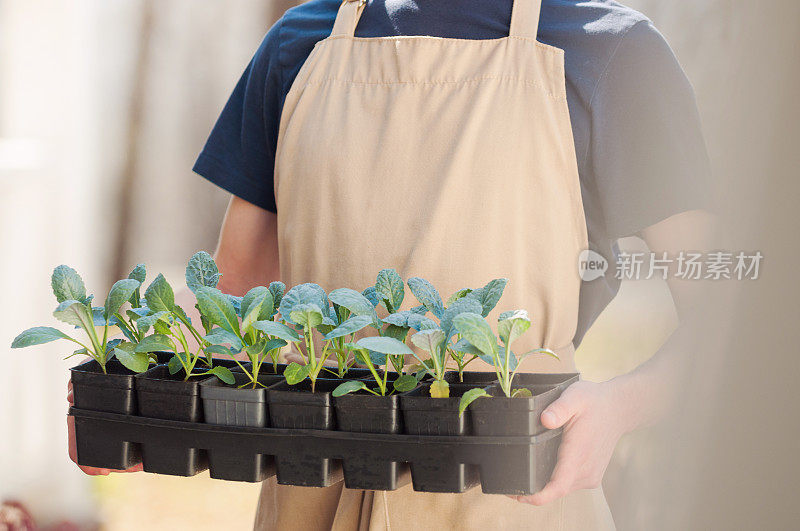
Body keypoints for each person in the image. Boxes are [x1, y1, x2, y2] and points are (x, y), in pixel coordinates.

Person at [69, 0, 713, 529]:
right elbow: (233, 298)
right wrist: (127, 403)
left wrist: (620, 407)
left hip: (511, 494)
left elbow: (743, 309)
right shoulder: (299, 44)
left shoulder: (612, 52)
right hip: (311, 490)